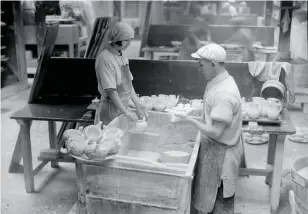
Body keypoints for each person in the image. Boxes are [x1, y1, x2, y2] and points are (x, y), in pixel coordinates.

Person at [173, 44, 243, 214]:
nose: (199, 68)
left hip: (222, 158)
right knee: (209, 203)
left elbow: (216, 132)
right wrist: (193, 111)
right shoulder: (218, 81)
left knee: (219, 203)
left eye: (201, 64)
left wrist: (190, 120)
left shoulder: (224, 94)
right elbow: (210, 110)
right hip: (214, 152)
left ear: (213, 64)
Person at [94, 22, 147, 124]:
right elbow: (111, 91)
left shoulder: (122, 57)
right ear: (117, 38)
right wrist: (126, 113)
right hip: (110, 107)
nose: (129, 43)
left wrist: (138, 104)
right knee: (109, 136)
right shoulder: (105, 59)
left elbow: (128, 86)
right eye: (126, 40)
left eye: (130, 40)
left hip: (122, 106)